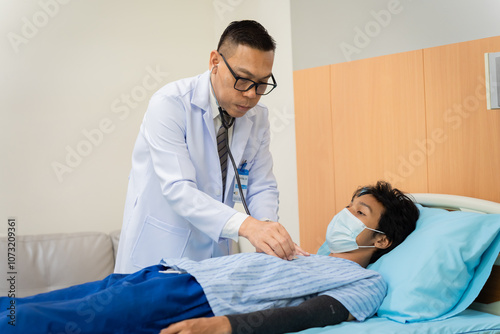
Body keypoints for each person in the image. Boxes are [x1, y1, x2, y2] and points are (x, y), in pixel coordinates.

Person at [0, 181, 419, 334]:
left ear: (382, 241)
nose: (345, 214)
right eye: (348, 205)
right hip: (165, 275)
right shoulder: (307, 253)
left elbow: (313, 314)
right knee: (31, 305)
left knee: (43, 324)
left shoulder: (368, 282)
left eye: (360, 213)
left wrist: (225, 326)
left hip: (192, 299)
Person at [114, 20, 305, 274]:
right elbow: (178, 189)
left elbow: (260, 185)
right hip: (160, 255)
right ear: (215, 62)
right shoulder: (170, 105)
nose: (251, 94)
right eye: (243, 79)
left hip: (215, 261)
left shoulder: (257, 117)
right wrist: (248, 227)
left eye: (262, 83)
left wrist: (267, 229)